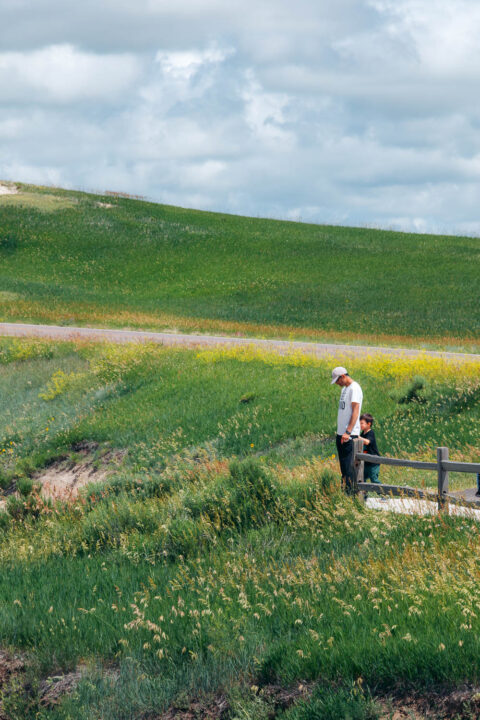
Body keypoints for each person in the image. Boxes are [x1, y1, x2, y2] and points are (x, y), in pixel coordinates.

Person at [331, 366, 363, 494]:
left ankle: (350, 495)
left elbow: (355, 411)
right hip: (341, 434)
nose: (337, 384)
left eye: (338, 381)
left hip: (348, 435)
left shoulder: (354, 388)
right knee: (344, 467)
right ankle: (345, 493)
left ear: (343, 376)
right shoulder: (345, 389)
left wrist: (348, 431)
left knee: (349, 468)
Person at [359, 413, 381, 483]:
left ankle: (382, 492)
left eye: (362, 423)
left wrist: (358, 437)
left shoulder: (371, 433)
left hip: (374, 461)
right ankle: (364, 493)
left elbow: (367, 442)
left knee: (374, 479)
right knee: (362, 477)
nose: (360, 425)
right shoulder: (363, 433)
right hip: (366, 461)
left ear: (368, 424)